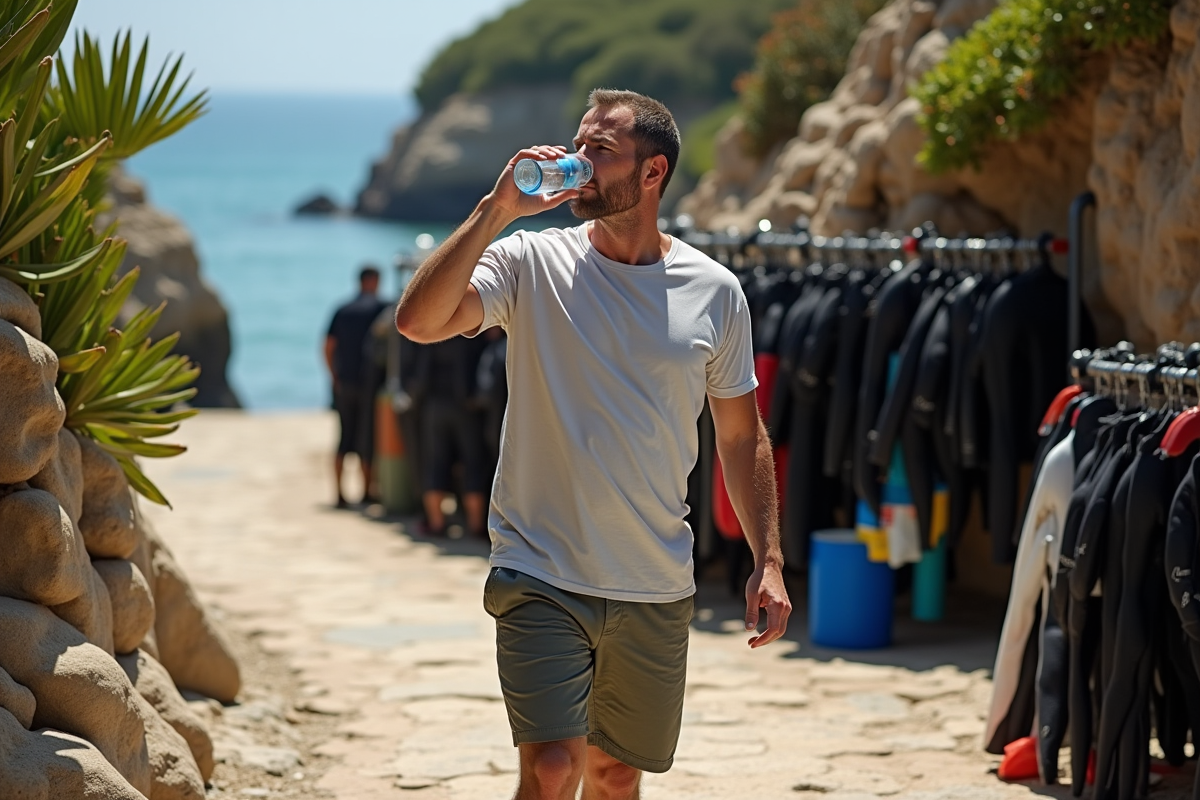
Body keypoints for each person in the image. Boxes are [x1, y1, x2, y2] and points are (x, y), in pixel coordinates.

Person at [394, 89, 791, 800]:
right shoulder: (528, 262)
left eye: (599, 151)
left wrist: (769, 558)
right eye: (578, 144)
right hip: (539, 568)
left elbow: (740, 434)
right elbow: (420, 322)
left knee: (615, 776)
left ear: (652, 173)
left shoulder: (716, 291)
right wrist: (496, 210)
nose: (578, 162)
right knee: (551, 771)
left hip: (655, 581)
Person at [410, 333, 491, 536]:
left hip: (435, 404)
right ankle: (475, 526)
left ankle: (437, 524)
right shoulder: (473, 330)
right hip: (467, 406)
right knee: (473, 463)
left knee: (436, 463)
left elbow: (420, 370)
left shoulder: (434, 330)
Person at [324, 265, 387, 509]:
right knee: (367, 438)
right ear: (374, 281)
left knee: (343, 437)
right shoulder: (381, 309)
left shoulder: (342, 309)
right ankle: (367, 490)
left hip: (344, 383)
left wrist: (334, 376)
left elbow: (328, 346)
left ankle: (339, 494)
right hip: (369, 385)